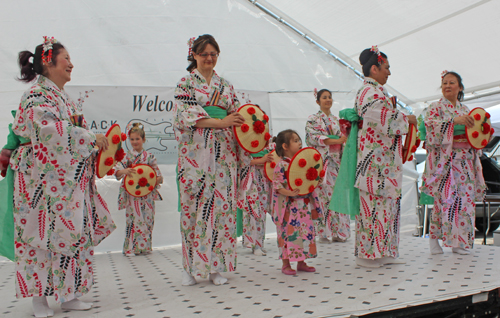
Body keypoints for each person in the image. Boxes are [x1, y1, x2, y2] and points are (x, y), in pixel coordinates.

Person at [11, 37, 115, 317]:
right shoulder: (36, 95)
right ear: (48, 61)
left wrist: (92, 146)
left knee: (72, 233)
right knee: (39, 235)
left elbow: (68, 134)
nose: (71, 64)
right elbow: (48, 131)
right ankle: (39, 299)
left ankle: (69, 292)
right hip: (39, 180)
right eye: (66, 58)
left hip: (67, 179)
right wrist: (90, 137)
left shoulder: (62, 98)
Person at [174, 34, 245, 286]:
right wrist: (221, 121)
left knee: (221, 211)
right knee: (192, 211)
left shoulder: (225, 85)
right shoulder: (185, 84)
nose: (209, 58)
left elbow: (238, 115)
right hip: (195, 157)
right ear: (194, 55)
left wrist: (236, 121)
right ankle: (189, 267)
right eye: (204, 54)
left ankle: (216, 267)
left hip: (223, 157)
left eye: (214, 54)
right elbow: (186, 117)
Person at [353, 46, 417, 268]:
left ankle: (385, 251)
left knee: (386, 207)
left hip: (384, 161)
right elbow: (380, 118)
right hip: (374, 161)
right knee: (373, 208)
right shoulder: (368, 92)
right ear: (374, 68)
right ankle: (367, 255)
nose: (389, 72)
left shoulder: (377, 92)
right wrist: (405, 119)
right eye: (386, 68)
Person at [421, 71, 486, 255]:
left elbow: (475, 134)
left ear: (460, 87)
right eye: (444, 83)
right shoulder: (435, 107)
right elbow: (430, 128)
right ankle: (434, 242)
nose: (447, 86)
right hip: (446, 162)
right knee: (444, 201)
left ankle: (460, 243)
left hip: (465, 161)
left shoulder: (466, 110)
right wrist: (453, 121)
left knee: (465, 202)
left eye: (451, 82)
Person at [272, 129, 321, 275]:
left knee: (304, 233)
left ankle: (301, 261)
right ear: (285, 146)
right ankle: (286, 264)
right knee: (288, 233)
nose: (300, 143)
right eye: (295, 140)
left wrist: (317, 180)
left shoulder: (302, 163)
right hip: (288, 207)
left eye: (299, 140)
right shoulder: (281, 165)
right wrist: (287, 192)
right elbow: (277, 185)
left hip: (302, 205)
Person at [305, 89, 350, 243]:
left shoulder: (337, 120)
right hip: (321, 164)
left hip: (337, 163)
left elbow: (345, 139)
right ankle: (323, 232)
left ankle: (339, 232)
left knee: (339, 196)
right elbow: (312, 137)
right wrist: (335, 140)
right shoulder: (313, 119)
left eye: (330, 97)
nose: (328, 100)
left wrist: (341, 141)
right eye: (324, 97)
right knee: (322, 197)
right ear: (318, 101)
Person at [115, 123, 163, 256]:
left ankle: (145, 247)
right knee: (132, 219)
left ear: (143, 139)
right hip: (132, 194)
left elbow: (158, 176)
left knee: (147, 218)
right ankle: (130, 248)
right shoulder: (126, 157)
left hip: (146, 194)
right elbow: (117, 173)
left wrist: (155, 179)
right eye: (132, 139)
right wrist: (125, 170)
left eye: (137, 139)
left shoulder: (150, 157)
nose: (135, 142)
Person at [238, 143, 274, 256]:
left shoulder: (268, 143)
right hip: (251, 179)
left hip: (265, 178)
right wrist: (261, 159)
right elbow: (241, 161)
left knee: (262, 213)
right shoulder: (245, 142)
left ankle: (259, 243)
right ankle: (254, 244)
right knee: (253, 212)